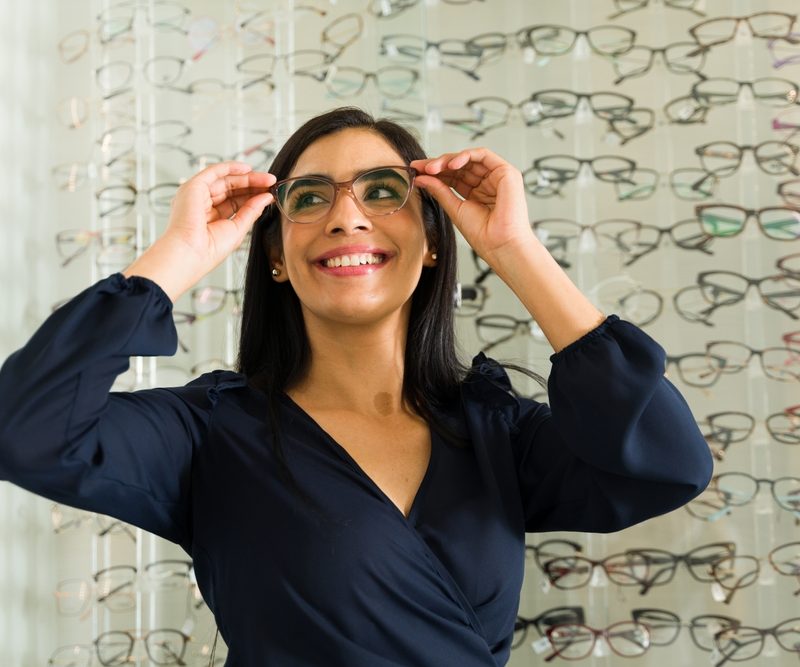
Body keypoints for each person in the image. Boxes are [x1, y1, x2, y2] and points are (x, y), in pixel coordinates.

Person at [0, 107, 712, 666]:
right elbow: (25, 430)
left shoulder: (497, 434)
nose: (347, 215)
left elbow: (668, 465)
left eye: (382, 190)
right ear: (275, 254)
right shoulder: (208, 435)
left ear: (432, 241)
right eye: (310, 197)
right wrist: (176, 257)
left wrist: (514, 251)